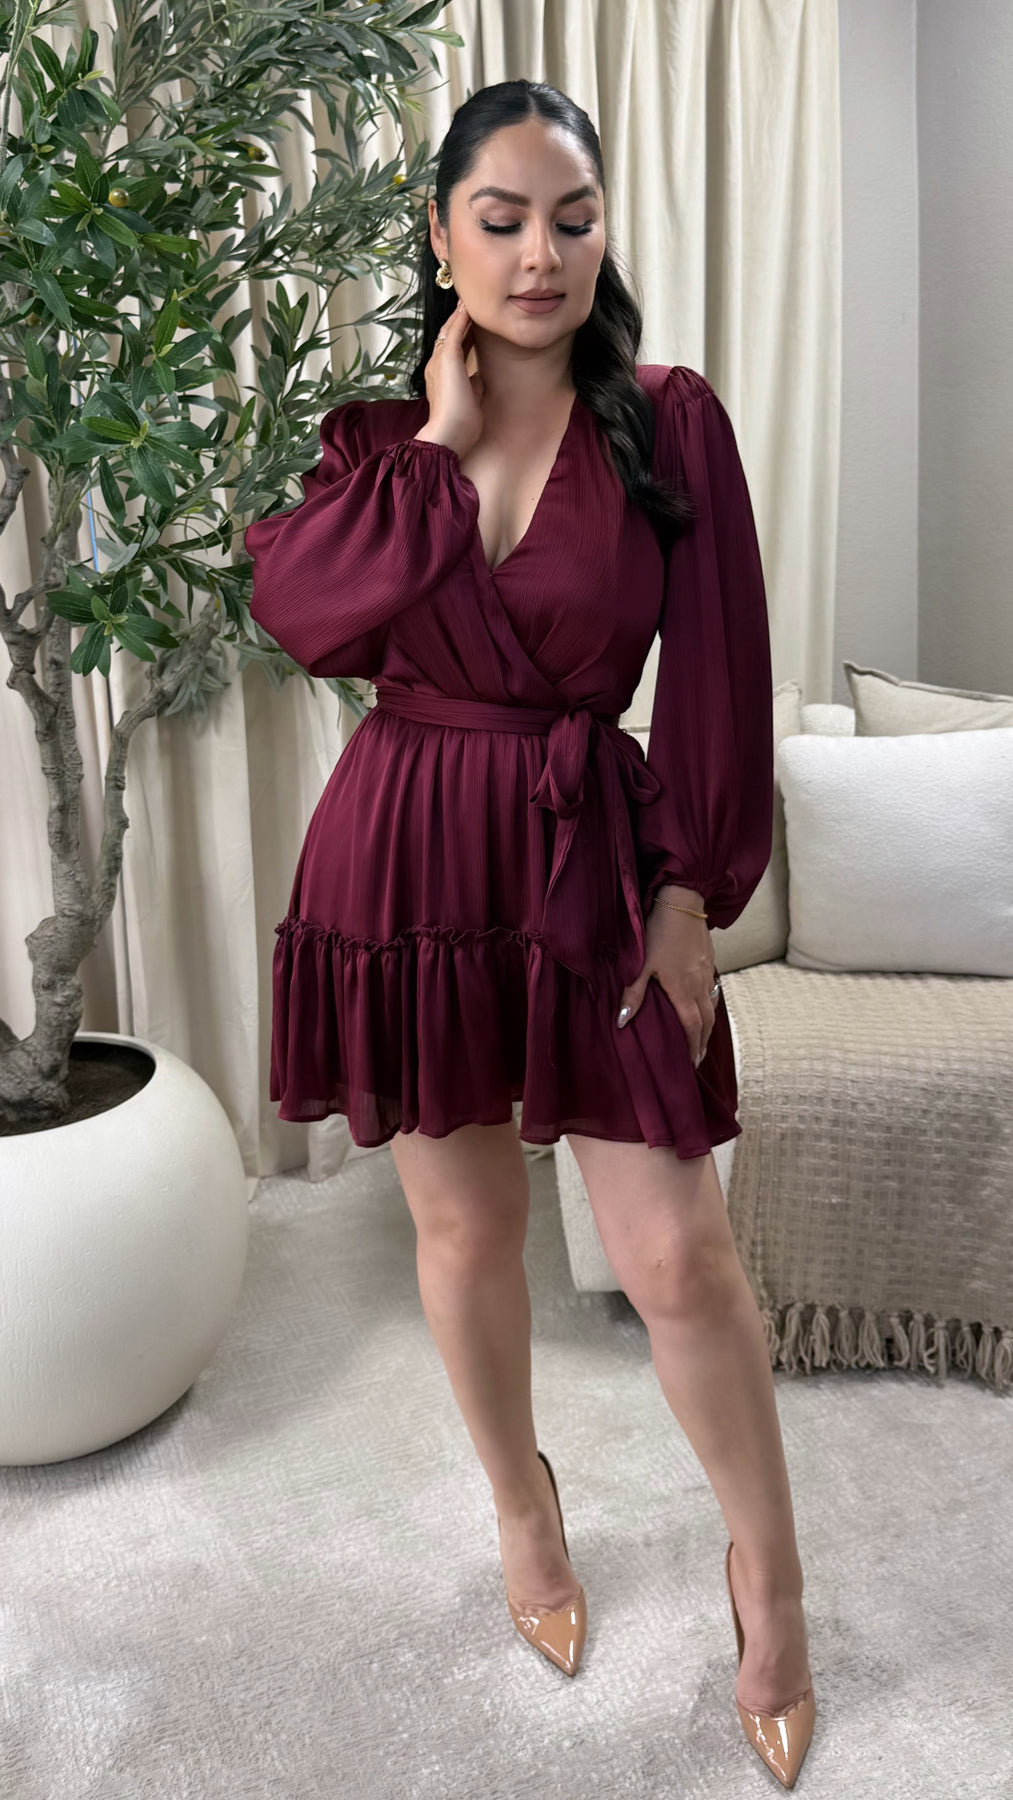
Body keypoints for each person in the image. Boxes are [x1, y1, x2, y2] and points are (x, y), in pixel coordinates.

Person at [245, 79, 814, 1789]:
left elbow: (718, 674)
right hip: (405, 862)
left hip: (592, 864)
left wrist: (689, 893)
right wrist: (432, 446)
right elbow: (303, 615)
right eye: (498, 220)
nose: (539, 253)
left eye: (571, 217)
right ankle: (522, 1509)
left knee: (675, 1257)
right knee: (467, 1229)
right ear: (441, 237)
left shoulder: (669, 423)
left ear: (601, 230)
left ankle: (768, 1575)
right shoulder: (373, 449)